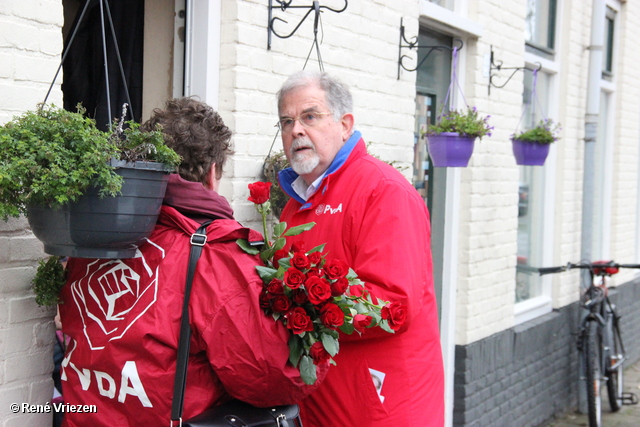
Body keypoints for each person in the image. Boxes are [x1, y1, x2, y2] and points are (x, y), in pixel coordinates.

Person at [58, 97, 324, 426]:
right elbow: (270, 379)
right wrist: (316, 344)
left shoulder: (93, 235)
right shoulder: (218, 255)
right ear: (213, 173)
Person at [276, 71, 445, 426]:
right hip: (326, 401)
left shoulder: (383, 191)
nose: (296, 131)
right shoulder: (297, 202)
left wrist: (299, 308)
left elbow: (392, 304)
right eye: (287, 121)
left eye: (310, 116)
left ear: (345, 124)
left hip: (381, 404)